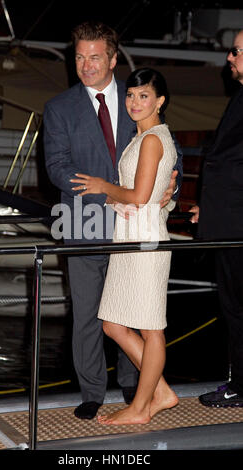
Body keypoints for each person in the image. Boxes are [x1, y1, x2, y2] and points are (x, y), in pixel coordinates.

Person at [44, 21, 183, 420]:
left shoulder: (136, 97)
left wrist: (169, 190)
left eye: (95, 56)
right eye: (79, 57)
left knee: (132, 313)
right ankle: (92, 391)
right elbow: (56, 168)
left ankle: (134, 384)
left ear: (112, 58)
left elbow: (162, 157)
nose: (86, 64)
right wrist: (107, 194)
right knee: (88, 314)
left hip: (134, 227)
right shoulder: (58, 107)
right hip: (82, 222)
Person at [71, 67, 179, 425]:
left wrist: (104, 187)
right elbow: (141, 197)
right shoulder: (143, 136)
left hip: (145, 241)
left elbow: (140, 195)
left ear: (160, 101)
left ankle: (140, 408)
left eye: (144, 95)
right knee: (113, 325)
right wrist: (117, 200)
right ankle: (161, 392)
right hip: (130, 236)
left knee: (151, 329)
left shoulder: (152, 139)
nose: (134, 102)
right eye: (131, 95)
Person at [190, 30, 243, 407]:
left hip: (238, 225)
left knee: (238, 308)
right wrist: (209, 207)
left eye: (237, 51)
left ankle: (241, 386)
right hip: (229, 219)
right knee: (234, 308)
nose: (229, 57)